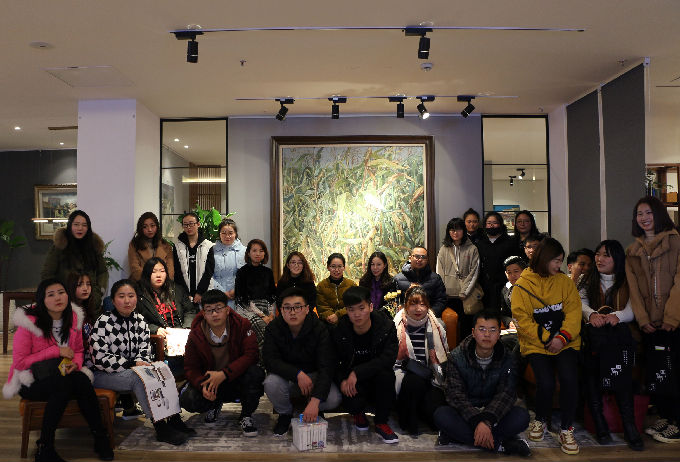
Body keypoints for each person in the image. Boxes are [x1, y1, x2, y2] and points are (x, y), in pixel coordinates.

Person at [3, 278, 114, 462]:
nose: (58, 298)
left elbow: (78, 350)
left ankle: (99, 437)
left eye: (61, 293)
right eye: (51, 294)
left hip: (61, 374)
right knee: (63, 385)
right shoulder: (29, 323)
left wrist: (75, 364)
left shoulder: (73, 317)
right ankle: (46, 447)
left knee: (80, 380)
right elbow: (20, 363)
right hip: (29, 379)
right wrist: (56, 351)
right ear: (42, 299)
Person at [89, 279, 194, 446]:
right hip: (102, 374)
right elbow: (99, 358)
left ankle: (174, 419)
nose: (127, 300)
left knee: (162, 369)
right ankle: (160, 427)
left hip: (133, 369)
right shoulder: (104, 322)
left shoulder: (140, 320)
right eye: (121, 296)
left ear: (136, 298)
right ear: (113, 300)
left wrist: (140, 363)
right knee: (138, 378)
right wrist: (132, 364)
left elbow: (145, 351)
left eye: (131, 296)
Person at [511, 237, 582, 455]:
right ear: (544, 258)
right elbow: (522, 320)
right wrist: (547, 338)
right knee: (546, 382)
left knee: (569, 379)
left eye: (561, 261)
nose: (559, 266)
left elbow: (574, 312)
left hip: (566, 342)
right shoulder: (522, 285)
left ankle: (566, 428)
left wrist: (562, 338)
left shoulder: (565, 283)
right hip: (536, 344)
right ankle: (540, 420)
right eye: (556, 261)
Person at [433, 310, 531, 457]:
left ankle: (459, 437)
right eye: (482, 329)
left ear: (499, 334)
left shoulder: (508, 358)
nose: (487, 334)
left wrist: (486, 420)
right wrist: (476, 420)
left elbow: (506, 394)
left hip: (494, 413)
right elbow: (455, 394)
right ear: (473, 332)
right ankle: (502, 444)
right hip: (467, 413)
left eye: (492, 330)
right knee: (441, 415)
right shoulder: (456, 357)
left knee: (522, 416)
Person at [579, 240, 643, 450]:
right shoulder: (586, 278)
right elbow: (580, 303)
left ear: (617, 258)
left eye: (606, 255)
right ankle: (600, 424)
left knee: (621, 375)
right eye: (598, 254)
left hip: (619, 337)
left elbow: (633, 308)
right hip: (595, 337)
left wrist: (616, 316)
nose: (600, 259)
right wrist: (592, 315)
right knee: (590, 371)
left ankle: (629, 426)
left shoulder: (628, 279)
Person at [625, 196, 680, 443]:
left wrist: (672, 317)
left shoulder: (676, 241)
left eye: (648, 213)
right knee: (658, 371)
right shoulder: (633, 251)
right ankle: (666, 417)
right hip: (650, 324)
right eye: (639, 214)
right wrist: (643, 319)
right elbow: (634, 289)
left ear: (659, 214)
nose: (644, 218)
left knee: (675, 370)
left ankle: (677, 422)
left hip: (674, 322)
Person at [180, 289, 264, 436]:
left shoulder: (242, 325)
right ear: (204, 314)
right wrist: (202, 385)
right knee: (189, 399)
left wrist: (224, 374)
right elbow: (190, 367)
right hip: (211, 382)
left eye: (218, 308)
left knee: (256, 374)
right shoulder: (196, 333)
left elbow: (251, 355)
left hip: (236, 378)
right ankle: (214, 404)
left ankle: (246, 415)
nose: (214, 314)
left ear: (227, 310)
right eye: (209, 310)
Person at [263, 287, 342, 436]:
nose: (292, 312)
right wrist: (297, 374)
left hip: (314, 377)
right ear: (281, 310)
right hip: (288, 377)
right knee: (271, 383)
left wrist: (315, 401)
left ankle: (312, 408)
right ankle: (285, 414)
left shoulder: (320, 329)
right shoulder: (273, 328)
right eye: (287, 308)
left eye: (297, 307)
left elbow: (326, 367)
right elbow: (270, 360)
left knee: (334, 398)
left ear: (307, 309)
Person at [332, 286, 399, 443]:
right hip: (352, 380)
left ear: (370, 306)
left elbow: (388, 358)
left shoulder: (386, 326)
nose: (356, 314)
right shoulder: (341, 329)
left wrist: (357, 372)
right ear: (346, 311)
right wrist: (342, 380)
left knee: (387, 376)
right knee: (351, 399)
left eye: (361, 308)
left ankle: (381, 422)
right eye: (351, 310)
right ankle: (358, 413)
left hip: (376, 375)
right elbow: (333, 360)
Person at [393, 286, 448, 436]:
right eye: (413, 304)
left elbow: (443, 358)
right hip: (404, 371)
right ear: (405, 306)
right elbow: (392, 359)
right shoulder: (396, 325)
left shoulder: (438, 327)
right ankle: (409, 421)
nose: (418, 309)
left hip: (431, 373)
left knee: (435, 414)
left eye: (423, 304)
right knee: (414, 382)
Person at [136, 257, 195, 375]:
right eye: (154, 272)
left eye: (162, 271)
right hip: (160, 338)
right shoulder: (139, 294)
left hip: (180, 333)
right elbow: (137, 320)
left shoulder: (176, 289)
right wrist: (155, 329)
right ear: (147, 274)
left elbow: (190, 310)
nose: (159, 275)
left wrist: (186, 328)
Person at [41, 209, 108, 310]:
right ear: (70, 225)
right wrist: (57, 293)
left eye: (84, 225)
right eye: (76, 224)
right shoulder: (60, 246)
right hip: (66, 299)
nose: (80, 228)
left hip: (91, 299)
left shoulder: (93, 246)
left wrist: (99, 291)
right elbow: (47, 274)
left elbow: (103, 271)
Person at [437, 218, 481, 335]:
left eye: (458, 229)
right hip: (448, 296)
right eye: (452, 230)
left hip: (466, 297)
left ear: (463, 231)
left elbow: (474, 272)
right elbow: (439, 272)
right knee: (450, 329)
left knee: (466, 328)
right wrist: (442, 291)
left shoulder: (472, 249)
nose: (455, 233)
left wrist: (464, 292)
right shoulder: (444, 249)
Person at [234, 239, 276, 349]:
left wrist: (271, 315)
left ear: (265, 253)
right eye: (254, 250)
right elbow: (241, 299)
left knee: (275, 328)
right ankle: (264, 357)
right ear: (248, 253)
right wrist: (262, 316)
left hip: (266, 308)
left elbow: (272, 296)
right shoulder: (242, 272)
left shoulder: (268, 272)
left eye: (261, 251)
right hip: (246, 309)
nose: (258, 254)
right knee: (263, 327)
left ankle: (266, 356)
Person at [477, 212, 518, 312]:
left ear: (500, 224)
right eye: (489, 223)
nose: (491, 225)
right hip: (484, 286)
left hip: (504, 285)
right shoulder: (480, 243)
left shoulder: (510, 242)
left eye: (495, 223)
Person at [173, 212, 214, 305]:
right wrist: (185, 293)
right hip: (184, 294)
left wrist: (200, 292)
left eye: (191, 224)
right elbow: (177, 272)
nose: (188, 227)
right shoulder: (177, 246)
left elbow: (209, 271)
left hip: (204, 293)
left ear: (198, 224)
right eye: (185, 225)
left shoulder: (208, 245)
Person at [393, 246, 447, 317]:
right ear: (410, 258)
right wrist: (404, 312)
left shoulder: (435, 278)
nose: (420, 259)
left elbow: (441, 300)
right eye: (417, 256)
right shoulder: (398, 279)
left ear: (427, 260)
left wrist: (430, 313)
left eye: (423, 257)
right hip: (405, 316)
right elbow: (394, 301)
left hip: (429, 316)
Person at [206, 218, 246, 307]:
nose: (227, 236)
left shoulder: (245, 251)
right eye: (223, 233)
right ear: (219, 234)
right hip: (216, 294)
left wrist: (236, 290)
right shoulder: (212, 251)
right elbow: (208, 274)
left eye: (230, 233)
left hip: (238, 295)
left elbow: (247, 275)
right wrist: (221, 292)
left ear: (235, 234)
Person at [128, 212, 174, 282]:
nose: (149, 229)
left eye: (152, 226)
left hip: (163, 284)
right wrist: (151, 281)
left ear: (157, 226)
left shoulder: (166, 245)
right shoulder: (134, 244)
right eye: (145, 227)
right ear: (140, 228)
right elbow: (135, 268)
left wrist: (161, 282)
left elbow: (170, 269)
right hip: (141, 283)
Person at [317, 253, 357, 325]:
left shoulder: (351, 285)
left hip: (348, 321)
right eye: (333, 266)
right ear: (328, 267)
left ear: (344, 267)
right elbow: (322, 307)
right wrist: (331, 317)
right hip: (328, 322)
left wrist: (338, 315)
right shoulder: (321, 286)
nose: (336, 270)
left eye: (340, 266)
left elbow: (354, 304)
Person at [498, 256, 526, 351]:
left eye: (516, 271)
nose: (512, 275)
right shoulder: (506, 289)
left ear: (524, 271)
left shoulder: (532, 288)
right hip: (514, 330)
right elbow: (504, 314)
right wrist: (510, 322)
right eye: (509, 273)